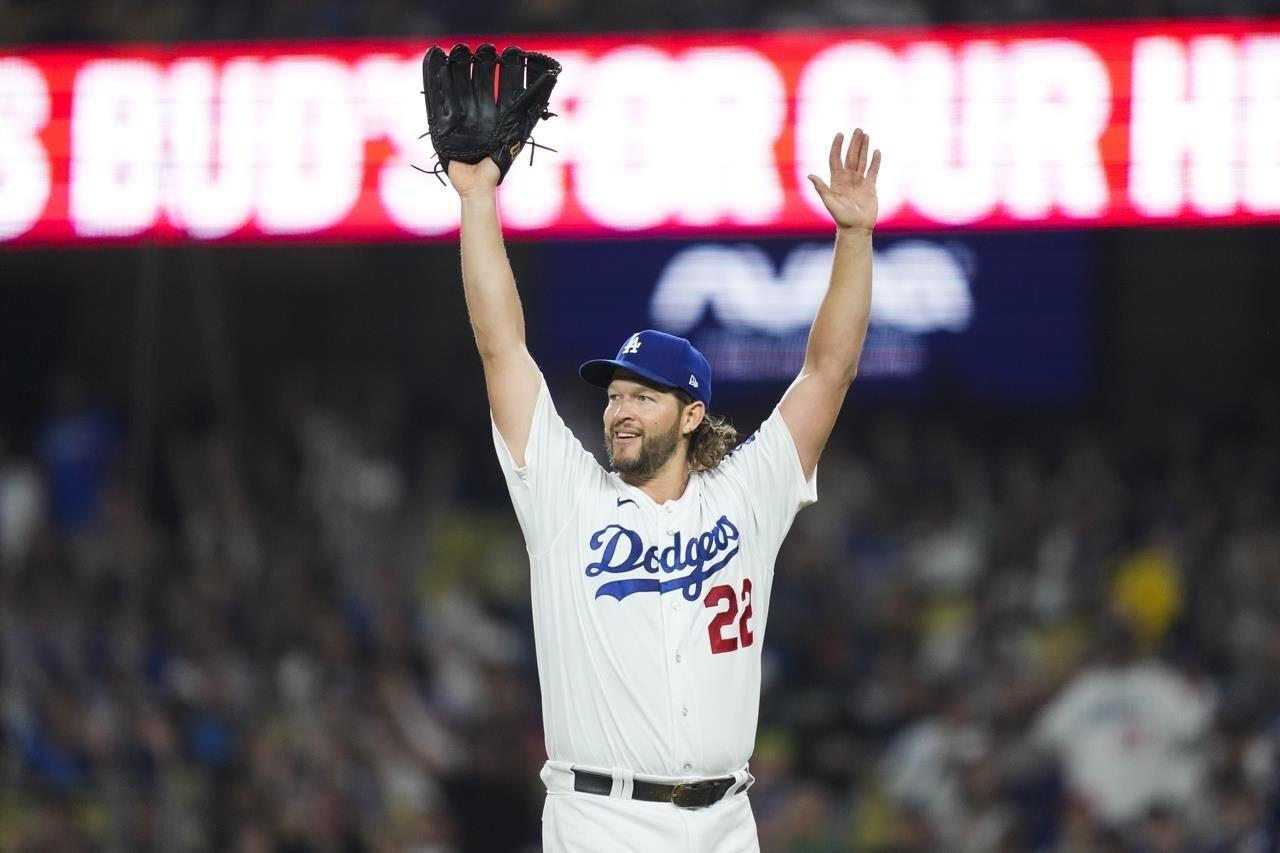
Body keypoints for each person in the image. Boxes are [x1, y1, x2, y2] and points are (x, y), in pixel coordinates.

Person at [446, 128, 881, 851]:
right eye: (614, 395)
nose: (619, 408)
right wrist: (477, 201)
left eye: (643, 397)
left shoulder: (748, 495)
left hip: (724, 821)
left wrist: (856, 237)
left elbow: (827, 372)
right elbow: (502, 346)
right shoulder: (564, 496)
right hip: (601, 818)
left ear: (692, 415)